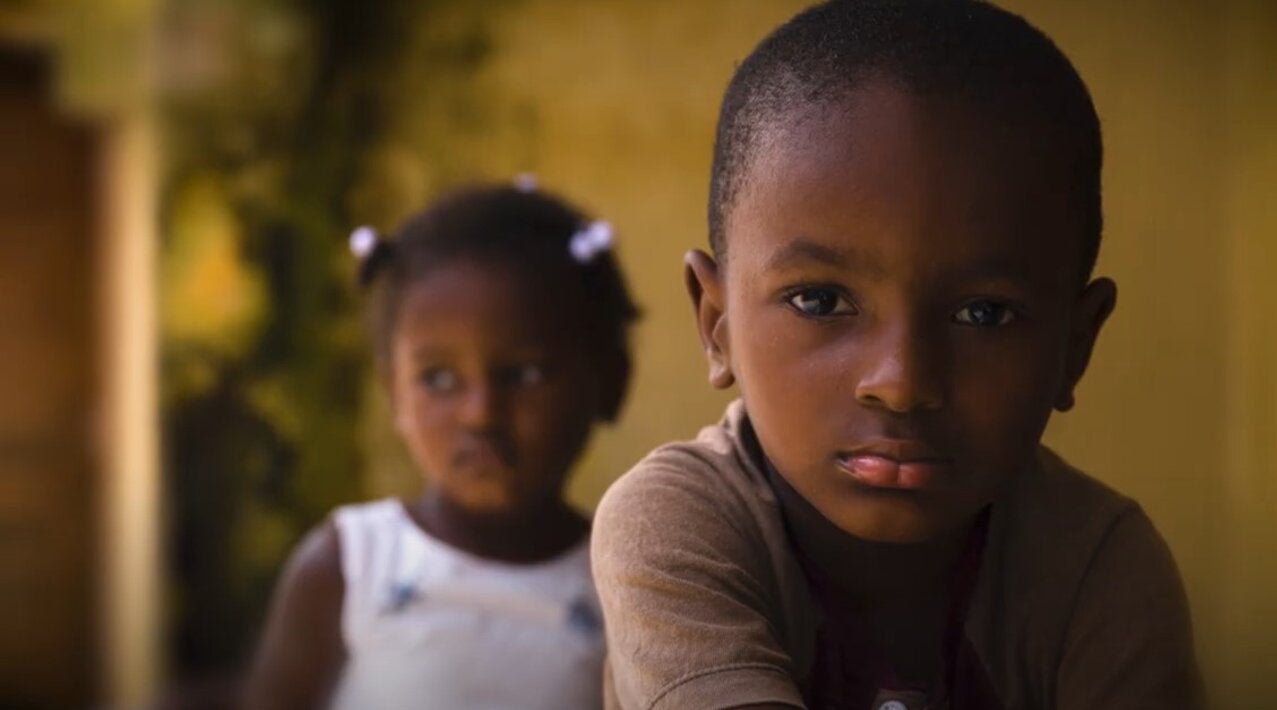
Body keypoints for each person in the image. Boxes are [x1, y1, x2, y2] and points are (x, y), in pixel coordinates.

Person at [591, 1, 1201, 708]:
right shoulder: (674, 524)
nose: (903, 383)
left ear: (1075, 344)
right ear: (716, 321)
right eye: (819, 300)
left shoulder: (1098, 566)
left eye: (984, 313)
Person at [245, 180, 639, 710]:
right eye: (437, 379)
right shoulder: (349, 566)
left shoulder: (626, 586)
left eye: (524, 373)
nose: (480, 413)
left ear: (611, 384)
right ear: (393, 394)